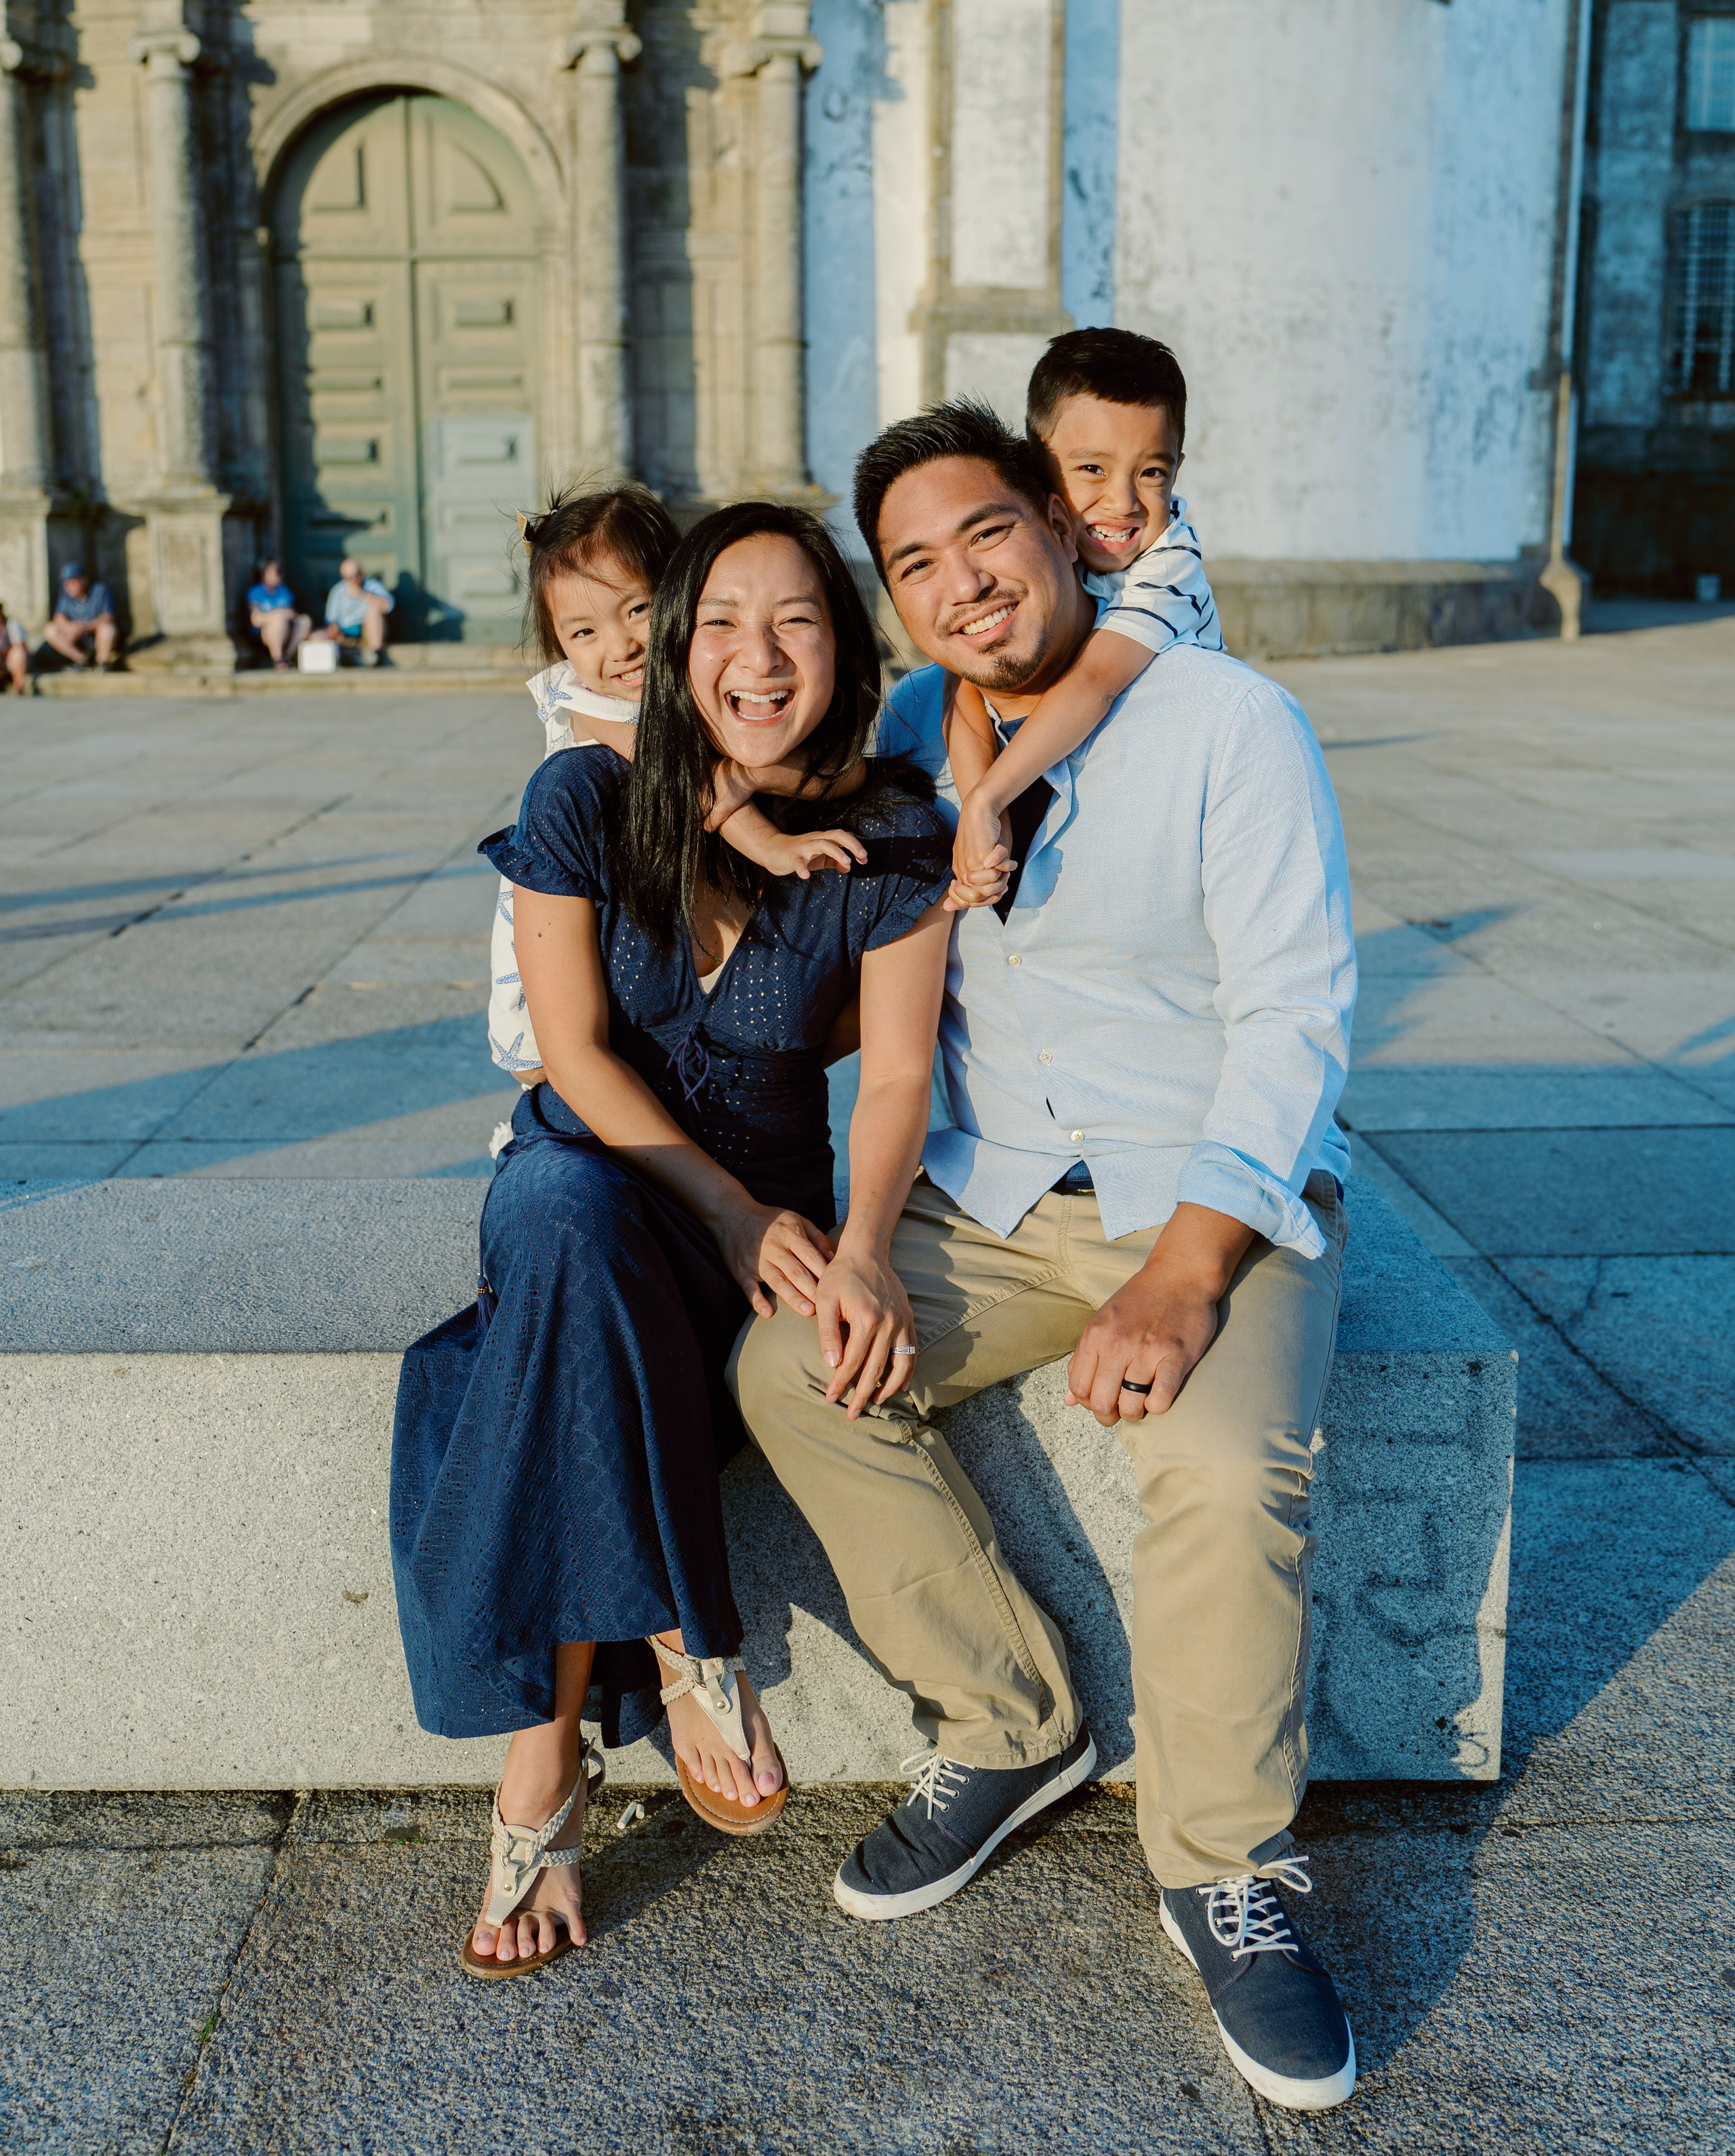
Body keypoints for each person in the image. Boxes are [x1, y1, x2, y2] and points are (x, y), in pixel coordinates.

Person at [731, 392, 1360, 2113]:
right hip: (989, 1194)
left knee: (1225, 1467)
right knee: (791, 1364)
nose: (957, 581)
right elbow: (708, 753)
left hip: (1205, 1189)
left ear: (1057, 525)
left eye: (983, 534)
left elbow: (1295, 1017)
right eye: (912, 564)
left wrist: (1184, 1271)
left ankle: (1221, 1862)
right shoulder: (910, 731)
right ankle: (1009, 1722)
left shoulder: (1230, 719)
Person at [391, 500, 955, 1982]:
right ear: (673, 648)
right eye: (719, 623)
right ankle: (688, 1645)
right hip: (615, 1186)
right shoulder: (581, 795)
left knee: (553, 1321)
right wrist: (735, 1210)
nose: (754, 659)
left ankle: (543, 1777)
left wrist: (868, 1244)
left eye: (795, 623)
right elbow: (568, 1053)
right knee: (559, 1206)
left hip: (732, 1251)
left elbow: (894, 1076)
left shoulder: (890, 837)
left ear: (843, 642)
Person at [489, 484, 886, 1088]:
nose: (619, 647)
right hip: (564, 911)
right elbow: (697, 786)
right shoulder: (586, 702)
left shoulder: (700, 689)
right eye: (583, 633)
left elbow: (839, 773)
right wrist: (771, 845)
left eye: (637, 610)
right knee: (557, 1042)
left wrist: (760, 772)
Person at [942, 330, 1222, 903]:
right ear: (1037, 461)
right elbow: (965, 684)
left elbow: (1095, 682)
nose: (1122, 502)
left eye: (1151, 473)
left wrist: (990, 799)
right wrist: (984, 819)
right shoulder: (1042, 551)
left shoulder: (1171, 561)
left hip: (1162, 781)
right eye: (1092, 469)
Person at [318, 557, 394, 664]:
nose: (352, 580)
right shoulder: (338, 591)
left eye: (355, 576)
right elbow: (331, 619)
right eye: (348, 577)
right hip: (345, 632)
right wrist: (333, 628)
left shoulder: (372, 586)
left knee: (374, 611)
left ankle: (376, 656)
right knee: (317, 636)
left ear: (362, 573)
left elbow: (388, 606)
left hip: (368, 629)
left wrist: (362, 594)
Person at [42, 566, 119, 671]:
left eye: (73, 582)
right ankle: (82, 661)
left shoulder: (100, 590)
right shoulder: (65, 594)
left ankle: (102, 663)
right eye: (66, 583)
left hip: (95, 636)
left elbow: (108, 617)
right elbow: (58, 617)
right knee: (50, 630)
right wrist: (69, 628)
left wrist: (84, 627)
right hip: (77, 639)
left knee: (108, 629)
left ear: (84, 579)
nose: (69, 587)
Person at [245, 558, 312, 668]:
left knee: (305, 620)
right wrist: (279, 614)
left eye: (280, 571)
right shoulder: (256, 592)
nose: (279, 575)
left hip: (288, 630)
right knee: (279, 622)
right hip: (265, 634)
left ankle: (287, 657)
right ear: (264, 574)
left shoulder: (283, 590)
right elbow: (256, 620)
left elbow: (292, 612)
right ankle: (277, 659)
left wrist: (288, 615)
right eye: (275, 572)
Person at [3, 601, 30, 696]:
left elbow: (20, 645)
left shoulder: (11, 624)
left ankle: (19, 685)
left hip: (9, 659)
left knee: (18, 653)